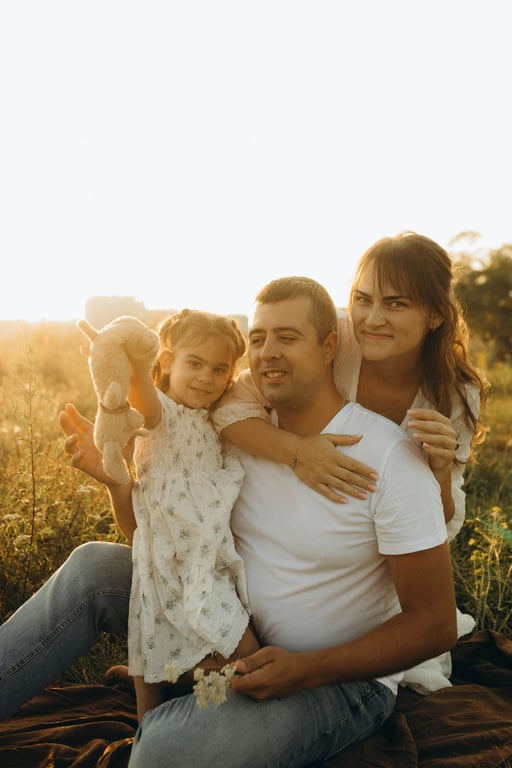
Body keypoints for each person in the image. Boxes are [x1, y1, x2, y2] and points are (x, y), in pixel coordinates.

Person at [0, 275, 457, 766]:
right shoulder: (237, 433)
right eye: (258, 338)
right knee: (94, 566)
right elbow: (161, 542)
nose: (267, 352)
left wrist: (307, 669)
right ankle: (185, 681)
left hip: (337, 682)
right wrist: (117, 483)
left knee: (166, 751)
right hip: (220, 619)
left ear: (329, 347)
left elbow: (434, 625)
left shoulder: (390, 457)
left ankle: (182, 698)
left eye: (287, 336)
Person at [214, 232, 488, 547]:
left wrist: (440, 471)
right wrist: (297, 452)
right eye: (363, 299)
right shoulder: (337, 341)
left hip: (384, 547)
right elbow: (229, 406)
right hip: (309, 529)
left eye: (395, 304)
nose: (372, 320)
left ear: (435, 315)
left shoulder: (455, 393)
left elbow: (438, 521)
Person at [84, 309, 259, 721]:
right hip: (169, 557)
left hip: (203, 557)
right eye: (194, 364)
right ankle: (147, 724)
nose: (205, 378)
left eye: (219, 369)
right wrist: (140, 367)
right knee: (237, 650)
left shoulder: (212, 421)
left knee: (163, 633)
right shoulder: (162, 416)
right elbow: (143, 394)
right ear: (167, 363)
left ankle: (159, 682)